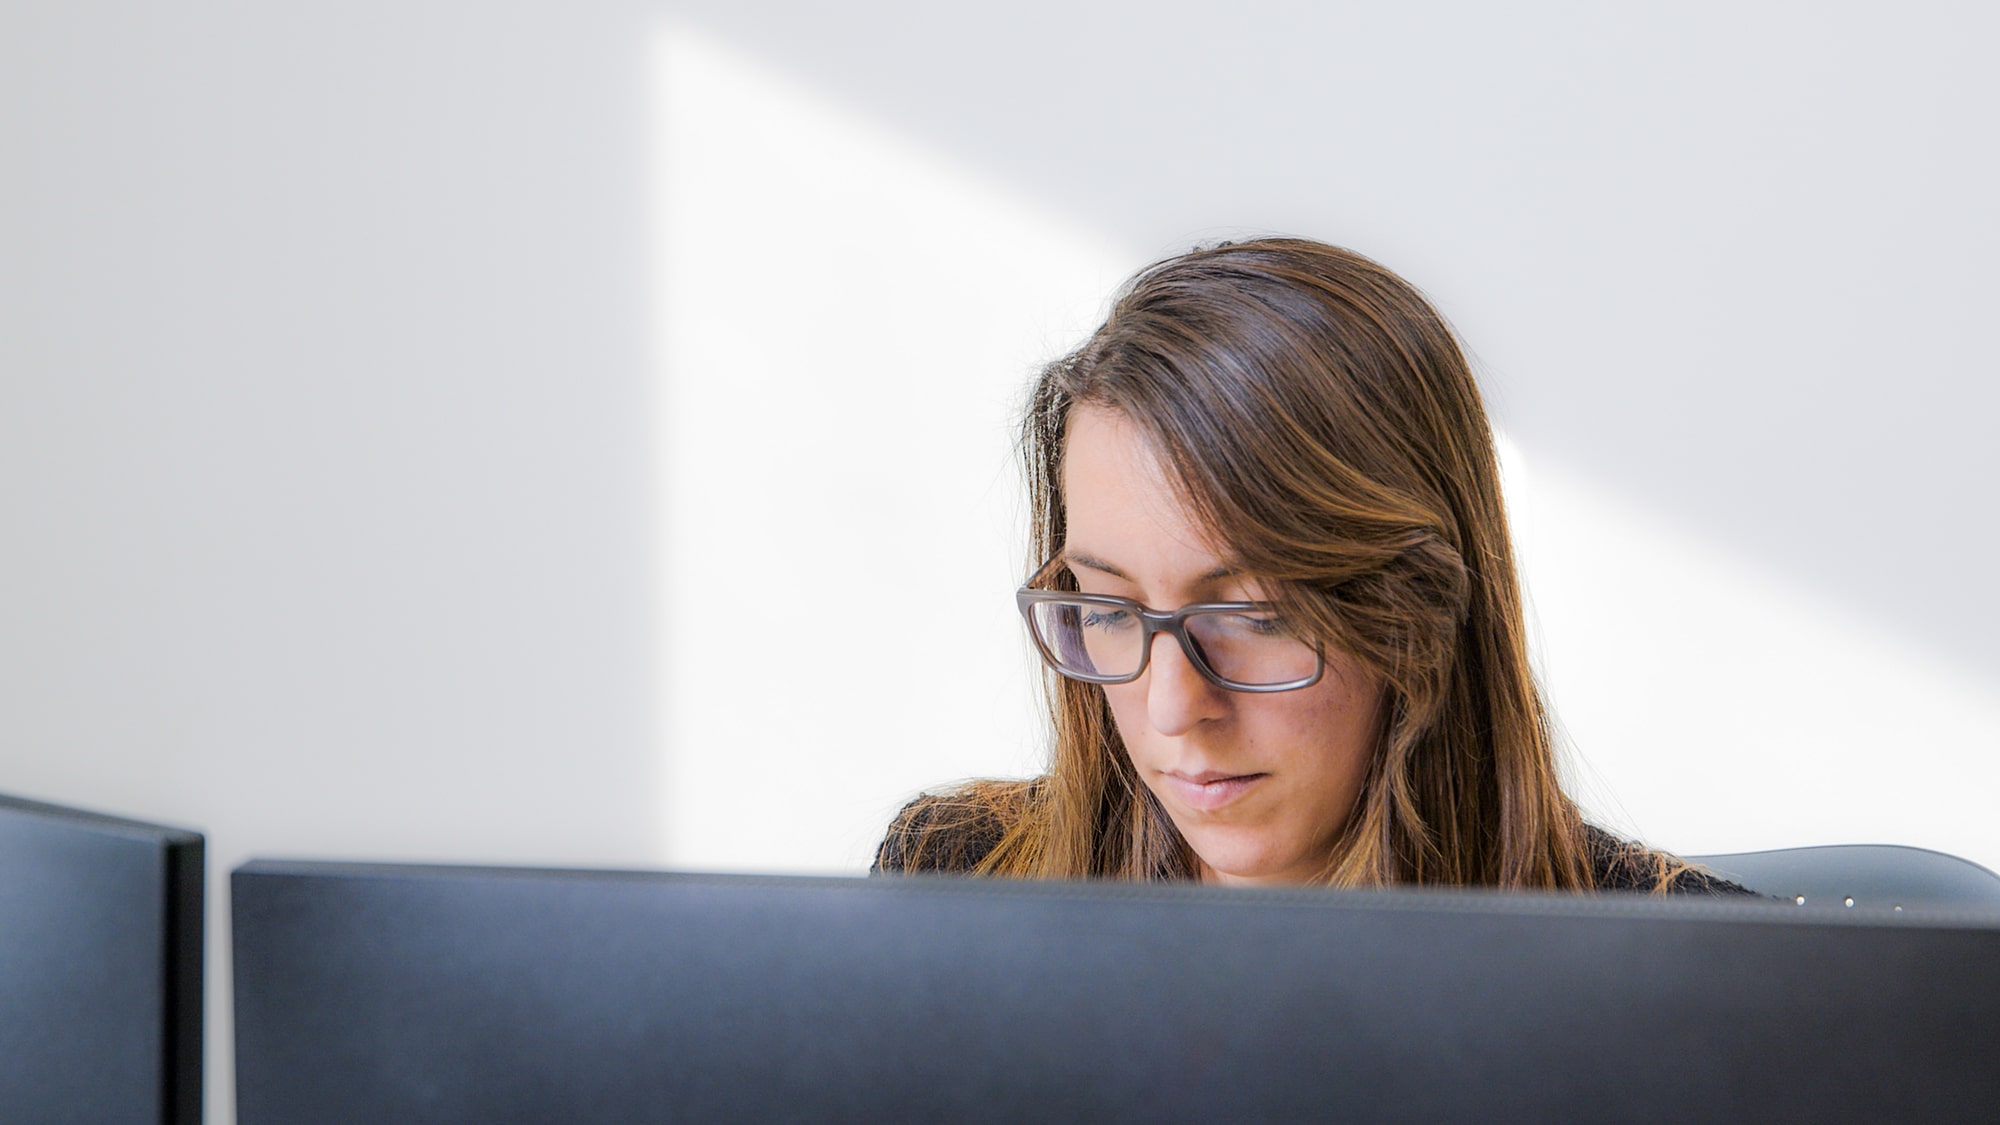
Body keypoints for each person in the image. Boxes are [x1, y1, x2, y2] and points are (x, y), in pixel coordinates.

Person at [874, 237, 1746, 894]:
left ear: (1420, 612)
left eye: (1254, 616)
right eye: (1108, 610)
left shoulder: (1718, 983)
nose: (1175, 709)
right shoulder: (953, 880)